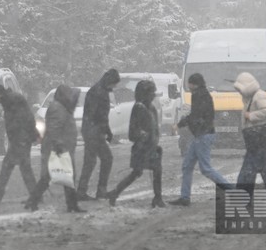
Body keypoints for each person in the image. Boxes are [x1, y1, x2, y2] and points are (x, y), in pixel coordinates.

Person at [169, 73, 233, 206]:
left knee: (205, 168)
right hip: (200, 135)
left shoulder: (199, 95)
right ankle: (185, 197)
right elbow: (198, 115)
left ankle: (232, 190)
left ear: (195, 84)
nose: (188, 86)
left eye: (190, 83)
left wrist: (180, 124)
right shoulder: (202, 94)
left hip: (203, 135)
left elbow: (196, 116)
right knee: (187, 165)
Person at [25, 85, 83, 213]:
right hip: (58, 148)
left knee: (60, 177)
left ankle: (71, 204)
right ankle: (70, 204)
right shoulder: (58, 108)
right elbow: (54, 128)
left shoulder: (61, 107)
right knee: (55, 177)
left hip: (60, 147)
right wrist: (58, 144)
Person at [107, 80, 165, 208]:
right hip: (142, 148)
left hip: (151, 146)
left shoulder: (151, 107)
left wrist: (154, 139)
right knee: (137, 173)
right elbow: (132, 132)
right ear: (144, 94)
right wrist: (142, 135)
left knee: (154, 171)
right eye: (151, 92)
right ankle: (115, 193)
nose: (153, 95)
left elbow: (155, 127)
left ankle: (158, 197)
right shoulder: (139, 108)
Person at [234, 72, 266, 204]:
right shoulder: (250, 97)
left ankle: (242, 199)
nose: (239, 92)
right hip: (256, 139)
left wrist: (250, 116)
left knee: (249, 170)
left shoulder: (259, 95)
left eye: (240, 89)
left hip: (258, 139)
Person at [0, 84, 39, 203]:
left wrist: (21, 138)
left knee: (16, 166)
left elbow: (22, 120)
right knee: (15, 166)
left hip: (20, 139)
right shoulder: (10, 99)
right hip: (20, 139)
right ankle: (35, 194)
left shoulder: (12, 100)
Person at [77, 68, 121, 200]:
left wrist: (106, 131)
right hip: (93, 131)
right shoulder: (98, 92)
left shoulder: (99, 90)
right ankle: (99, 191)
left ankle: (82, 191)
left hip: (93, 130)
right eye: (114, 84)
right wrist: (101, 130)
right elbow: (96, 115)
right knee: (105, 159)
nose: (114, 87)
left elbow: (100, 115)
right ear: (110, 81)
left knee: (90, 161)